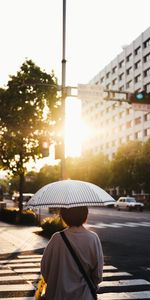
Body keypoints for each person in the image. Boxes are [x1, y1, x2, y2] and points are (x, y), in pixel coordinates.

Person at [41, 206, 104, 300]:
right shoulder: (93, 238)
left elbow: (45, 269)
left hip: (58, 295)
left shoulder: (56, 238)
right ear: (85, 216)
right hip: (84, 295)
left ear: (64, 217)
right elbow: (98, 275)